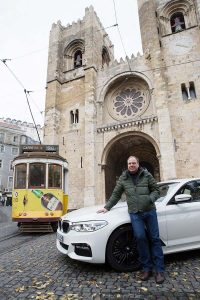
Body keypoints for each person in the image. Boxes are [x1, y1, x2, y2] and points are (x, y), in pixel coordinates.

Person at [98, 156, 165, 284]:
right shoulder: (124, 178)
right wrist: (107, 207)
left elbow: (156, 190)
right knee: (140, 238)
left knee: (155, 239)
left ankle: (160, 271)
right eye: (130, 163)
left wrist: (150, 199)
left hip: (149, 211)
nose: (132, 165)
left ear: (138, 164)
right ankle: (146, 268)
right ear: (127, 165)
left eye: (134, 163)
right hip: (135, 213)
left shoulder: (146, 175)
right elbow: (116, 194)